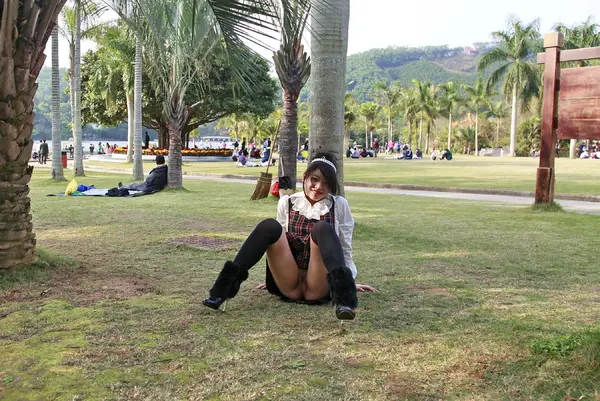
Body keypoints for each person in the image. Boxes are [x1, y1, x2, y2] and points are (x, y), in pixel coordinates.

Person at [203, 153, 376, 320]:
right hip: (290, 282)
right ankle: (221, 291)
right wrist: (274, 278)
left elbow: (345, 247)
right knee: (270, 226)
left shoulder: (338, 205)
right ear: (305, 177)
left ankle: (344, 302)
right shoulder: (287, 202)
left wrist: (350, 282)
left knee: (322, 228)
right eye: (314, 179)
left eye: (326, 183)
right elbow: (279, 242)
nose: (319, 187)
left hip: (317, 284)